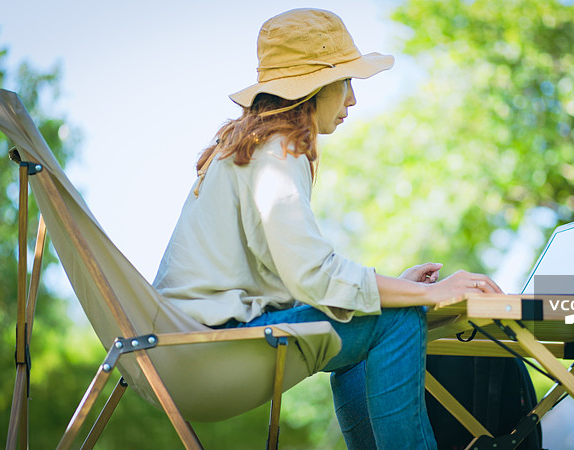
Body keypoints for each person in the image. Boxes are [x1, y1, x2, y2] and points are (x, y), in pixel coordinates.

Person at [153, 8, 502, 449]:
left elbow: (305, 276)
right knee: (397, 320)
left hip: (180, 349)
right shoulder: (277, 152)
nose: (353, 99)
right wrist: (432, 294)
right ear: (313, 89)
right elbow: (316, 277)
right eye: (346, 82)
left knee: (371, 313)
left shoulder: (249, 147)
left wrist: (394, 285)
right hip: (209, 352)